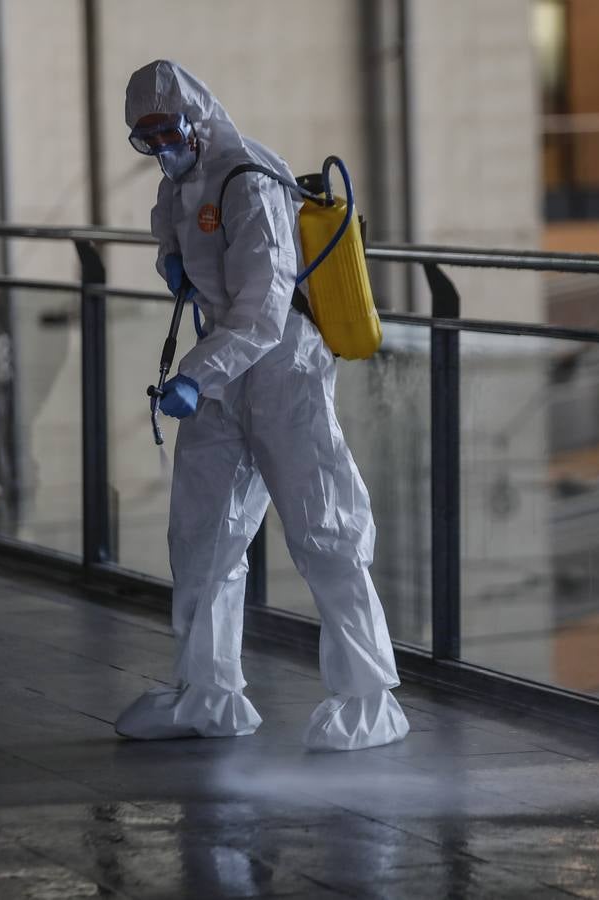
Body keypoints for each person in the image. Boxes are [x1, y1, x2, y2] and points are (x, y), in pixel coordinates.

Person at [113, 60, 409, 751]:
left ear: (196, 115)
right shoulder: (179, 183)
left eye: (166, 130)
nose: (160, 146)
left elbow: (266, 310)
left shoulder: (246, 177)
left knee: (324, 527)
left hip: (283, 371)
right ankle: (207, 694)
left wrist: (195, 375)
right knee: (202, 535)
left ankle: (370, 701)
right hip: (222, 370)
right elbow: (176, 244)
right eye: (145, 138)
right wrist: (173, 265)